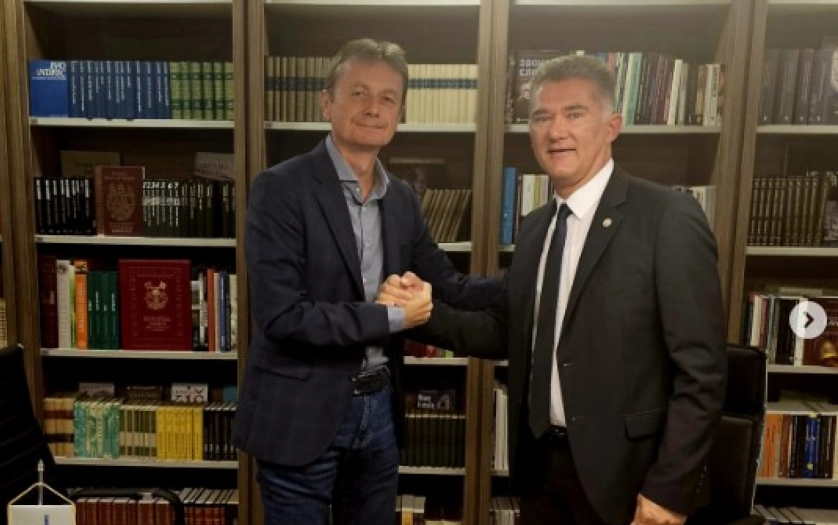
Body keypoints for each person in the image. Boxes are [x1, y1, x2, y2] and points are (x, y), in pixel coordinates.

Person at [380, 55, 727, 525]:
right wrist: (418, 313)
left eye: (574, 113)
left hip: (630, 482)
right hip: (541, 470)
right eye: (542, 117)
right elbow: (508, 332)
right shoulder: (537, 226)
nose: (556, 130)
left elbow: (702, 373)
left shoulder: (667, 217)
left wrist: (669, 489)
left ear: (612, 126)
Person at [232, 38, 501, 525]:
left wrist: (535, 279)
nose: (374, 108)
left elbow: (448, 284)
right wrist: (391, 316)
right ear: (326, 102)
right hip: (300, 414)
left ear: (399, 113)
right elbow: (282, 316)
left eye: (388, 98)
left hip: (378, 411)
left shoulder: (401, 198)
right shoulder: (280, 188)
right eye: (359, 93)